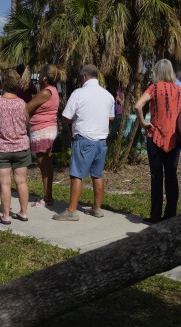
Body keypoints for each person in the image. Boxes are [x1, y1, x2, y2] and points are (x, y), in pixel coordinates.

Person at [53, 64, 115, 221]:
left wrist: (74, 119)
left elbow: (66, 117)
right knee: (97, 175)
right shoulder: (108, 95)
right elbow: (111, 117)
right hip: (101, 140)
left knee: (77, 175)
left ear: (84, 77)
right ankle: (97, 208)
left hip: (84, 138)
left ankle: (72, 210)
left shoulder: (78, 93)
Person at [134, 59, 181, 223]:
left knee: (157, 177)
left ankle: (155, 215)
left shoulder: (154, 88)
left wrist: (143, 123)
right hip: (174, 138)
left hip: (155, 137)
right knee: (172, 176)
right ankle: (171, 214)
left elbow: (137, 105)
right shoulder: (179, 89)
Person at [0, 68, 32, 225]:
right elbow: (26, 122)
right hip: (21, 147)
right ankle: (23, 212)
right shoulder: (23, 104)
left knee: (5, 183)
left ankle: (5, 216)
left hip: (1, 148)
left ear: (3, 83)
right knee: (21, 181)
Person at [26, 64, 62, 208]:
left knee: (44, 164)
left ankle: (47, 197)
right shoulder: (53, 91)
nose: (38, 76)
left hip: (42, 130)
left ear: (45, 77)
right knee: (46, 164)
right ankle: (48, 195)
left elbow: (27, 108)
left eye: (40, 74)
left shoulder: (46, 92)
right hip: (47, 129)